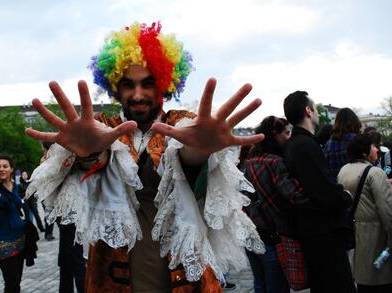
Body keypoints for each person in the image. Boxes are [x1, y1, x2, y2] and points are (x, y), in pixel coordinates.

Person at [26, 22, 265, 292]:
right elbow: (99, 155)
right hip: (113, 280)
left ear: (165, 84)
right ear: (115, 88)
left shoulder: (183, 126)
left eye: (148, 83)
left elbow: (188, 158)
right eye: (128, 85)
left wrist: (200, 153)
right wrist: (88, 154)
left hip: (187, 280)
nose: (138, 95)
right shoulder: (103, 128)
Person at [283, 91, 356, 293]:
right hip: (322, 232)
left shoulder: (298, 143)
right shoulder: (303, 145)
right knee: (338, 286)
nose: (316, 113)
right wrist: (345, 197)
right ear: (308, 111)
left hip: (315, 231)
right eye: (314, 108)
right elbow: (322, 190)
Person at [243, 116, 307, 293]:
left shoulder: (249, 162)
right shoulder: (275, 162)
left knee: (260, 286)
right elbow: (295, 195)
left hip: (252, 235)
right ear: (275, 135)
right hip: (274, 237)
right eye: (286, 133)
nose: (289, 137)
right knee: (277, 288)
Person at [337, 134, 392, 293]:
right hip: (377, 238)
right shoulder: (375, 172)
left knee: (363, 283)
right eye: (373, 146)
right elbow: (387, 213)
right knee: (381, 281)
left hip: (355, 237)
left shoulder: (344, 170)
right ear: (364, 152)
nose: (377, 150)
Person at [0, 155, 26, 293]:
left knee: (17, 282)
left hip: (20, 238)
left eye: (5, 166)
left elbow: (20, 204)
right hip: (2, 242)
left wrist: (6, 194)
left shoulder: (15, 186)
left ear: (11, 169)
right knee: (12, 283)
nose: (1, 169)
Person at [323, 108, 361, 179]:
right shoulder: (357, 140)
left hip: (336, 186)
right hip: (357, 185)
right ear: (354, 120)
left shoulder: (328, 144)